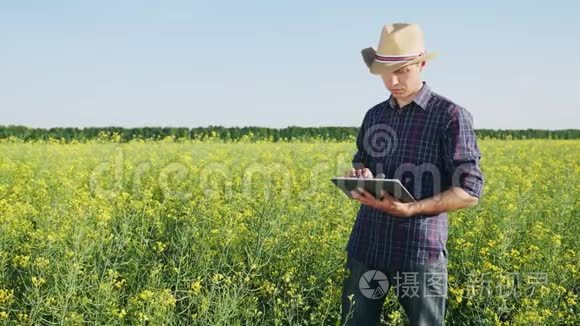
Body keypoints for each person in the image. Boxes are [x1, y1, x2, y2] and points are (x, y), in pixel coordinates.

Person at [340, 23, 484, 325]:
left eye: (403, 70)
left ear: (422, 64)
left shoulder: (451, 117)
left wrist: (410, 209)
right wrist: (360, 173)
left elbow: (470, 190)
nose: (392, 81)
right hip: (367, 245)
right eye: (384, 73)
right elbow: (361, 159)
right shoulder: (374, 115)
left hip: (419, 251)